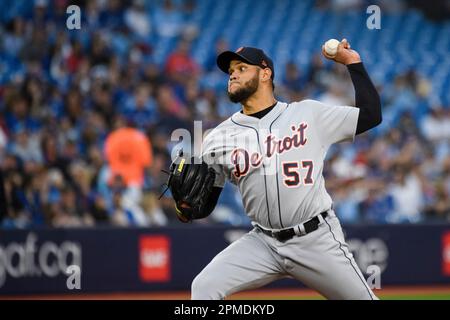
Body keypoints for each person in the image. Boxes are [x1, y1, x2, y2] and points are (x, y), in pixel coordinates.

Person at [178, 40, 382, 299]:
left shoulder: (308, 114)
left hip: (315, 238)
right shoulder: (218, 138)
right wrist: (184, 209)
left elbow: (371, 115)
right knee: (204, 287)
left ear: (265, 73)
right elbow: (204, 202)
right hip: (263, 241)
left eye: (241, 68)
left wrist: (353, 62)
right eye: (230, 71)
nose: (233, 74)